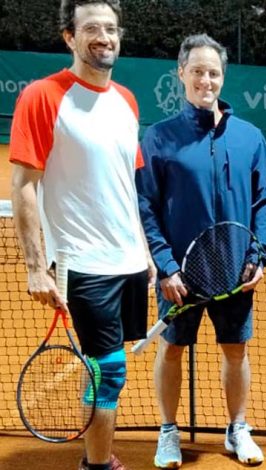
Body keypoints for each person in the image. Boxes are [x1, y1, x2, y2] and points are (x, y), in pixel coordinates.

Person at [9, 1, 154, 469]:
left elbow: (125, 185)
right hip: (83, 265)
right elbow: (24, 185)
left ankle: (97, 456)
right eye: (91, 28)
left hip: (129, 263)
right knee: (109, 371)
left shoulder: (126, 100)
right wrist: (36, 268)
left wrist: (145, 251)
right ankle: (97, 465)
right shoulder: (42, 96)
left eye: (110, 28)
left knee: (104, 368)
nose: (104, 37)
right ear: (69, 37)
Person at [136, 33, 266, 468]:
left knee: (236, 350)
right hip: (179, 274)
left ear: (223, 77)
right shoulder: (159, 138)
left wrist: (258, 256)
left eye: (213, 72)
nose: (206, 80)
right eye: (197, 71)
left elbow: (264, 201)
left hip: (235, 269)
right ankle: (168, 432)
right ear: (181, 74)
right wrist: (165, 266)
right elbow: (145, 205)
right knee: (171, 350)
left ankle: (237, 429)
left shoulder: (250, 138)